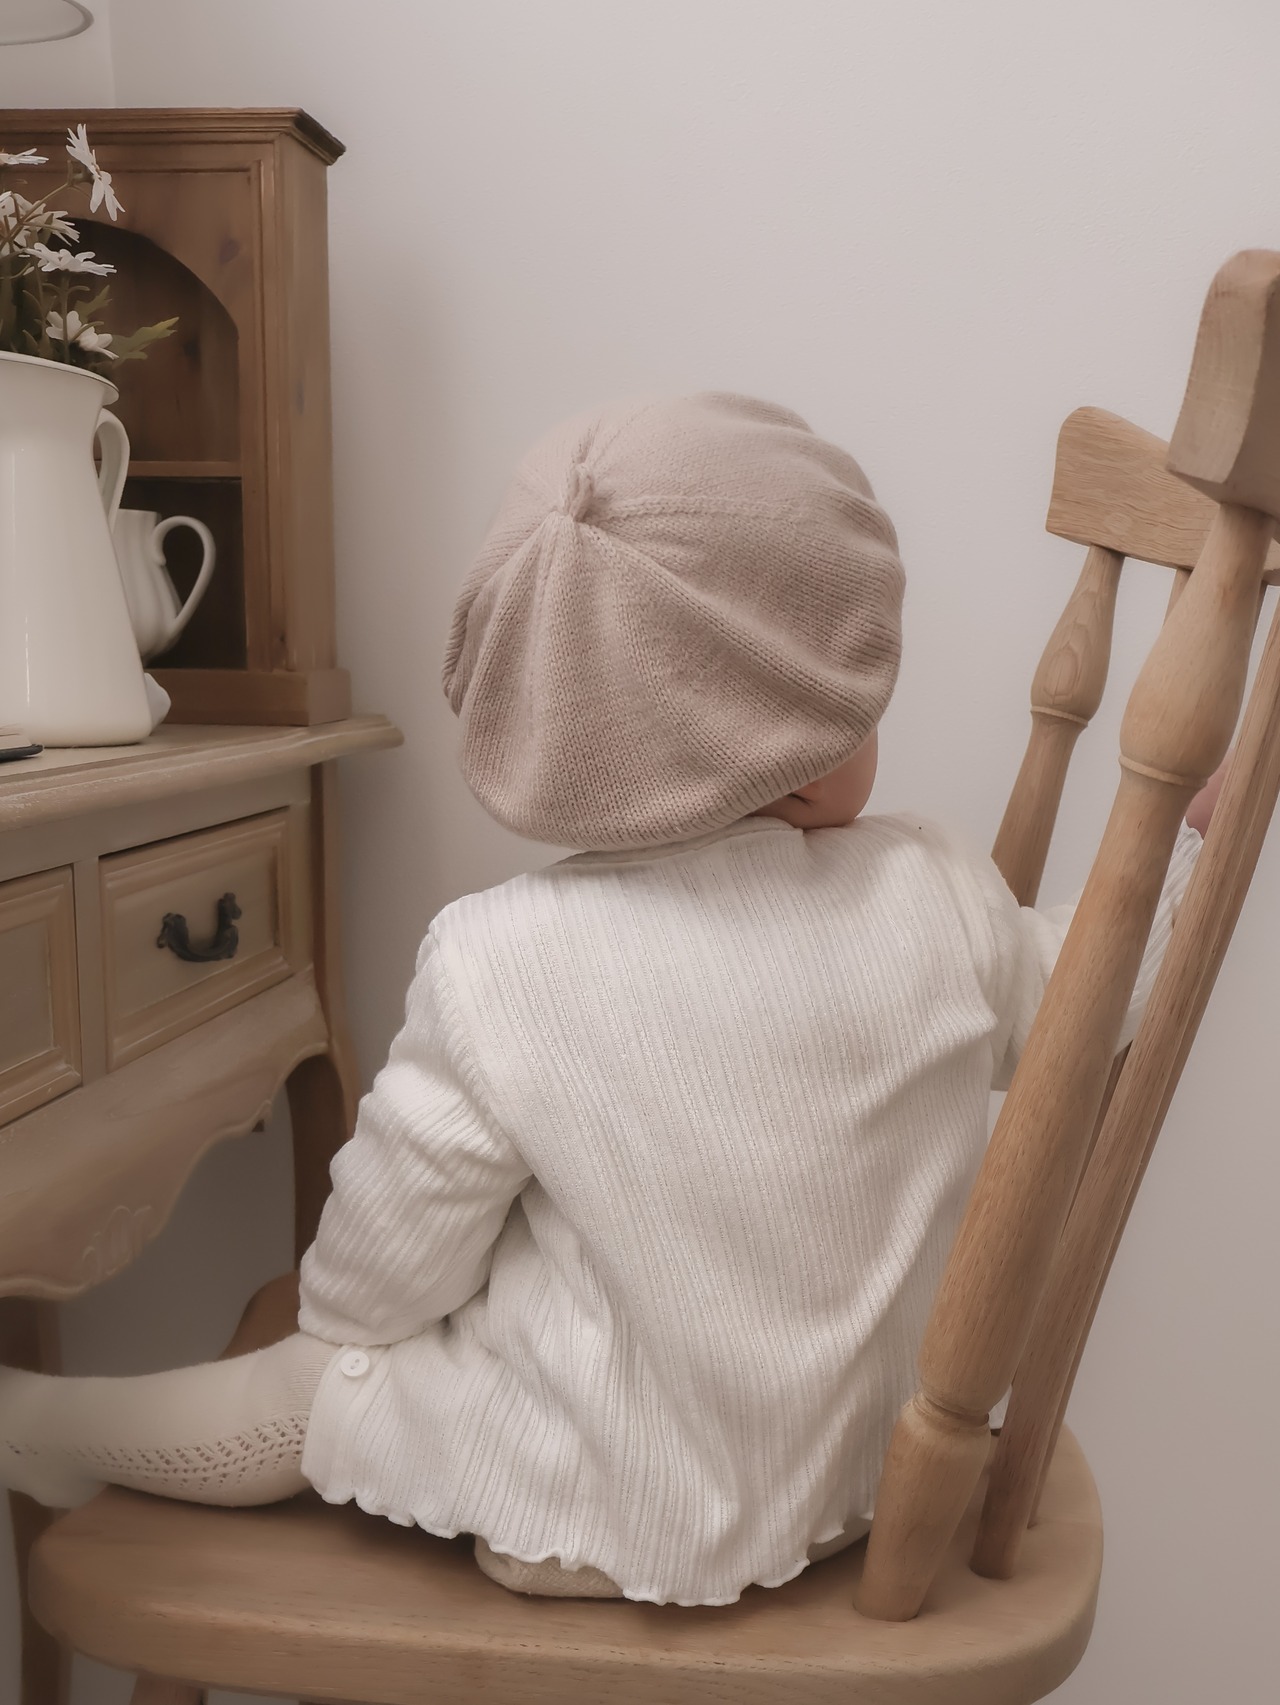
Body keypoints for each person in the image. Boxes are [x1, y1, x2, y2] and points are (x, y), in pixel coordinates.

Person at [0, 394, 1216, 1607]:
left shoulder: (497, 961)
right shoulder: (935, 891)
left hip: (595, 1517)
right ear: (802, 757)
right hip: (881, 1485)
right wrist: (1188, 851)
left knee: (321, 1375)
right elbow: (1093, 991)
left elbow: (375, 1284)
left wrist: (358, 1311)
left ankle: (49, 1428)